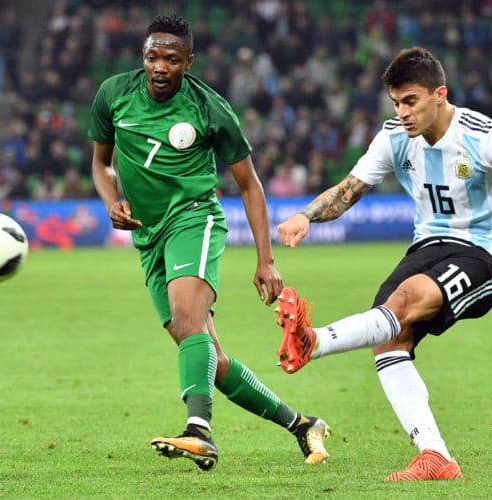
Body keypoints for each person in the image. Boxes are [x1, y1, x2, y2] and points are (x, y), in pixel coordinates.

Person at [274, 47, 492, 482]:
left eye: (410, 101)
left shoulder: (486, 137)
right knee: (390, 334)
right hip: (427, 247)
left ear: (439, 94)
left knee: (404, 303)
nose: (402, 112)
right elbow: (348, 190)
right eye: (395, 103)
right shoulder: (394, 137)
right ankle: (435, 457)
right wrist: (306, 215)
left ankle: (312, 342)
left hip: (483, 252)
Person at [87, 14, 329, 472]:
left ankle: (199, 431)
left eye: (171, 59)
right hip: (148, 235)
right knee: (206, 356)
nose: (160, 67)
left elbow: (250, 184)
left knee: (186, 320)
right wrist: (109, 200)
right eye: (152, 56)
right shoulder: (113, 94)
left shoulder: (210, 109)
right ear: (143, 57)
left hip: (193, 220)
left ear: (188, 63)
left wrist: (266, 260)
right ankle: (303, 425)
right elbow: (100, 163)